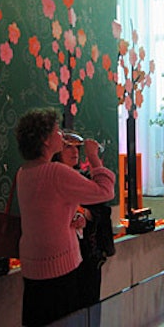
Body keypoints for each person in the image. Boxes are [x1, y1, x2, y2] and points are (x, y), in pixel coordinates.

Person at [15, 108, 115, 327]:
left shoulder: (23, 172)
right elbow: (105, 191)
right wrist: (93, 157)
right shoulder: (55, 172)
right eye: (56, 130)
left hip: (32, 266)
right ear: (45, 140)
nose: (61, 134)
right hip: (59, 266)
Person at [53, 131, 115, 314]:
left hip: (88, 253)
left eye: (76, 148)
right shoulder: (52, 177)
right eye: (67, 147)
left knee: (90, 306)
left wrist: (86, 214)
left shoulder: (83, 177)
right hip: (63, 255)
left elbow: (102, 207)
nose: (74, 152)